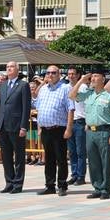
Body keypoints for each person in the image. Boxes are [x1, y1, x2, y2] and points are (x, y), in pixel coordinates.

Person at [70, 70, 110, 199]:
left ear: (103, 79)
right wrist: (81, 80)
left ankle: (105, 189)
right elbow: (72, 95)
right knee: (93, 161)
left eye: (96, 76)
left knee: (105, 161)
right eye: (91, 77)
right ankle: (97, 187)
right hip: (90, 132)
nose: (92, 79)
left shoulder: (109, 96)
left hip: (104, 131)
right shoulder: (88, 94)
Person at [33, 65, 72, 196]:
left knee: (61, 158)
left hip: (59, 128)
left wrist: (68, 128)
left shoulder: (65, 88)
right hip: (45, 129)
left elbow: (70, 109)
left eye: (53, 73)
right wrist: (39, 127)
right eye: (48, 73)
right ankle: (49, 185)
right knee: (48, 158)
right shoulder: (43, 89)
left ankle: (62, 185)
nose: (50, 75)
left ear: (59, 74)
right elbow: (39, 108)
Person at [0, 62, 31, 194]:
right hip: (3, 126)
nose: (9, 69)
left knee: (19, 156)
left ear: (17, 69)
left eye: (12, 67)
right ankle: (9, 182)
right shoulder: (2, 85)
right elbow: (0, 107)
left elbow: (26, 107)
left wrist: (23, 126)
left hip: (16, 126)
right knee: (6, 156)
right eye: (7, 67)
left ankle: (18, 183)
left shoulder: (23, 85)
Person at [65, 69, 88, 186]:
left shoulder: (83, 87)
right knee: (72, 151)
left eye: (73, 74)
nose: (71, 76)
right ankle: (74, 174)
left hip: (80, 121)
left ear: (78, 75)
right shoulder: (65, 87)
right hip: (69, 122)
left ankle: (81, 176)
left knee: (80, 151)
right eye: (69, 74)